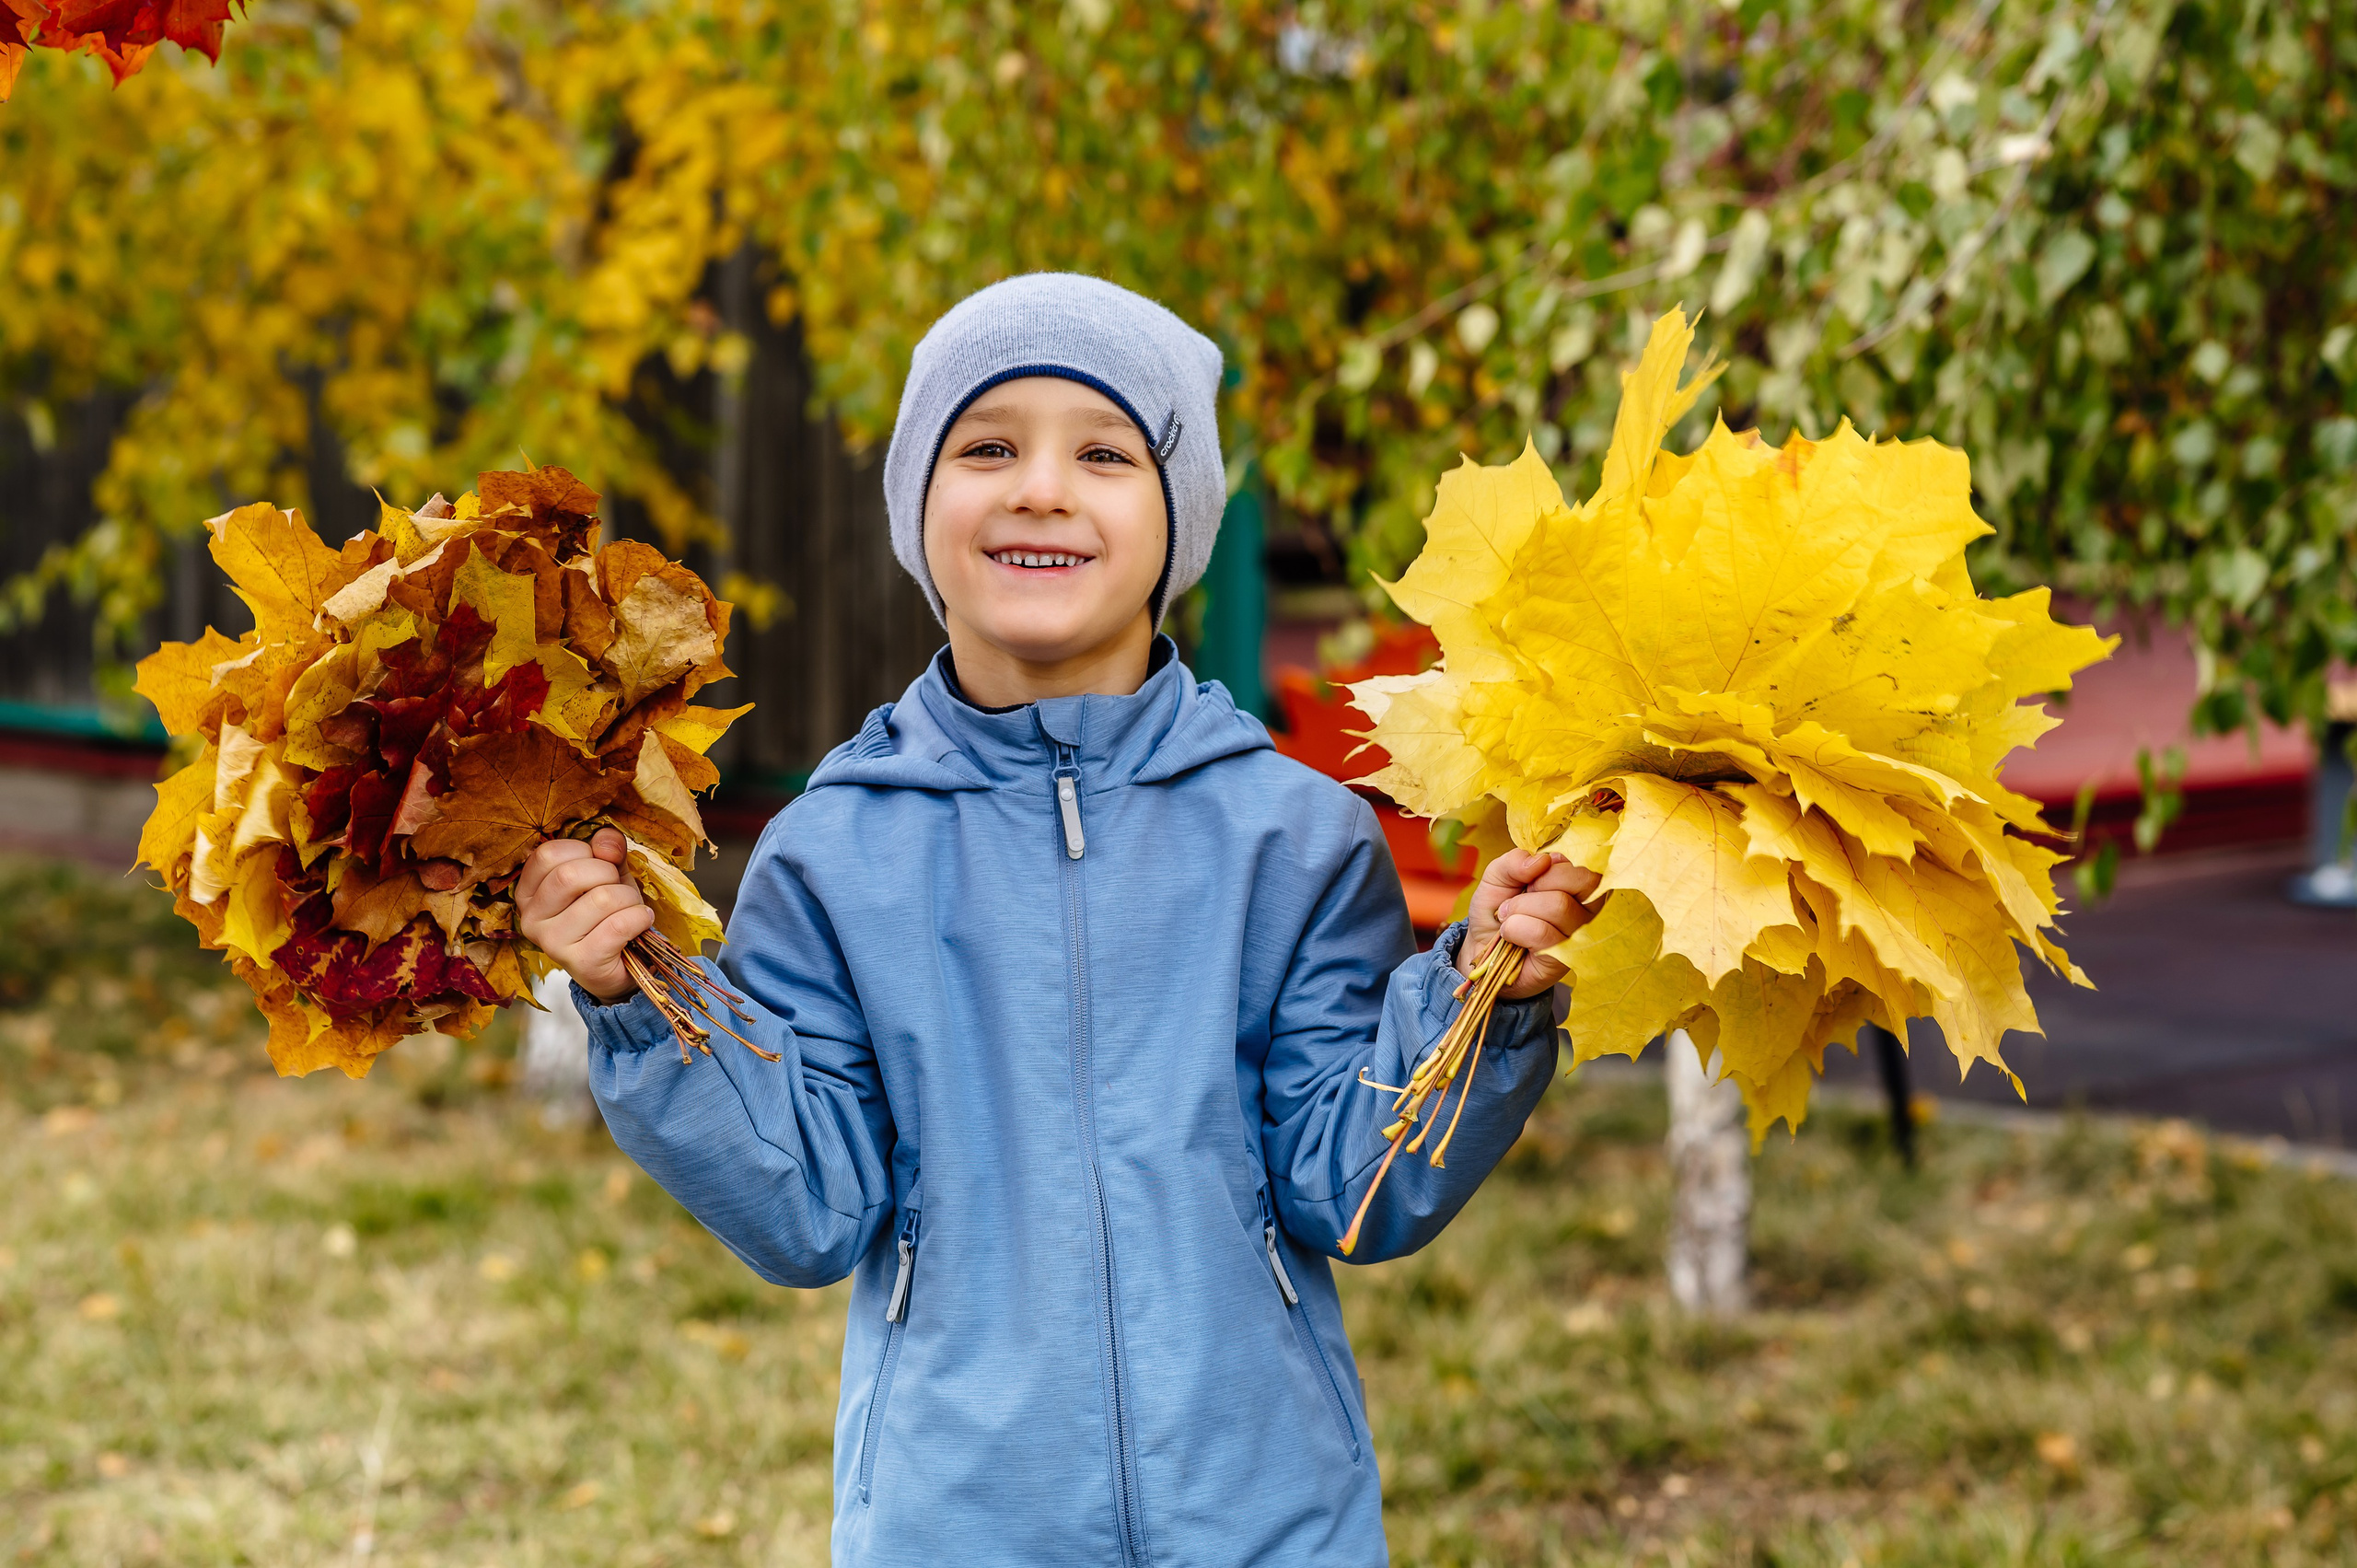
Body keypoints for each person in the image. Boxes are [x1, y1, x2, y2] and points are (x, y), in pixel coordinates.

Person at [516, 273, 1596, 1566]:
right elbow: (808, 1205)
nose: (1040, 487)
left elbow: (1356, 1182)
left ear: (1176, 520)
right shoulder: (835, 851)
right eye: (987, 447)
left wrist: (1485, 996)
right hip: (954, 1526)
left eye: (1103, 452)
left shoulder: (1292, 838)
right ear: (921, 506)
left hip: (1267, 1523)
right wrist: (643, 1004)